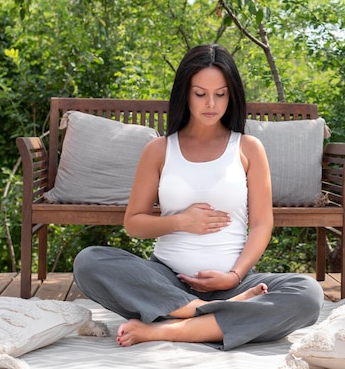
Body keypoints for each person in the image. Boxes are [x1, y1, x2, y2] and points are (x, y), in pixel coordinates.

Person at [73, 44, 324, 350]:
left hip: (236, 283)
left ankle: (165, 329)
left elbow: (261, 224)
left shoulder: (248, 148)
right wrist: (180, 221)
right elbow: (134, 223)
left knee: (308, 293)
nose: (211, 103)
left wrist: (234, 276)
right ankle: (202, 315)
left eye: (220, 94)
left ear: (231, 95)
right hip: (166, 283)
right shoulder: (159, 150)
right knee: (88, 262)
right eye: (200, 93)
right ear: (185, 94)